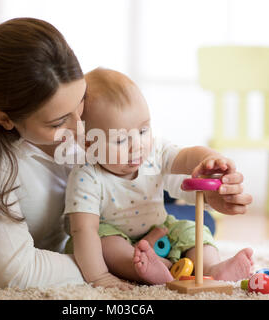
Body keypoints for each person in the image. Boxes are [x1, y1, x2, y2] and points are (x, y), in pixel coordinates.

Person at [0, 17, 253, 290]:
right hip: (99, 232)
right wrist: (106, 266)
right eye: (58, 121)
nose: (81, 127)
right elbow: (19, 272)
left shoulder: (90, 127)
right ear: (6, 119)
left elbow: (155, 159)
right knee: (151, 237)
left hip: (126, 203)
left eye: (80, 104)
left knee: (198, 220)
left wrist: (207, 181)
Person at [63, 68, 254, 290]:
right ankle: (141, 268)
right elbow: (83, 230)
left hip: (160, 228)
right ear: (89, 144)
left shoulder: (154, 152)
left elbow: (185, 156)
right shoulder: (87, 176)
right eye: (121, 140)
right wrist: (99, 276)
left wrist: (211, 159)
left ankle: (211, 268)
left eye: (143, 131)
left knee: (193, 229)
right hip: (118, 237)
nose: (138, 146)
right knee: (102, 242)